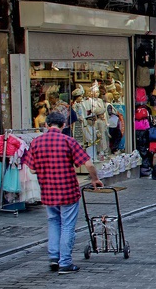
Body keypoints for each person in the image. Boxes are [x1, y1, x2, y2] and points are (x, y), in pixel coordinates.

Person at [22, 111, 104, 274]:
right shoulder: (68, 141)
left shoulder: (36, 142)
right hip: (67, 191)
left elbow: (31, 169)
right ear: (64, 125)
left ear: (46, 125)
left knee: (53, 222)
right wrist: (95, 179)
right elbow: (88, 164)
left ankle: (54, 257)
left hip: (48, 190)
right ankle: (65, 262)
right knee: (67, 225)